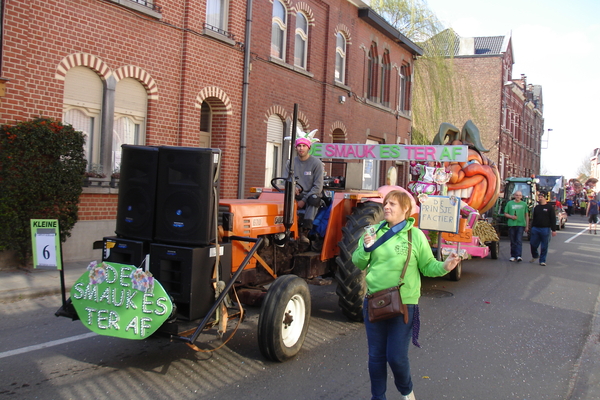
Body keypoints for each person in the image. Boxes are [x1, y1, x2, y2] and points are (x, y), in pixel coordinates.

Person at [352, 190, 460, 400]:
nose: (387, 207)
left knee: (397, 357)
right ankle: (378, 397)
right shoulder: (373, 231)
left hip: (404, 304)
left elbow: (428, 266)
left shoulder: (415, 236)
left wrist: (446, 265)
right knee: (376, 357)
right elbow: (358, 262)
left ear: (406, 209)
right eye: (386, 204)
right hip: (375, 302)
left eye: (392, 204)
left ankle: (407, 392)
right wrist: (365, 247)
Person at [285, 133, 324, 243]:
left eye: (304, 146)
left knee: (314, 199)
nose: (301, 148)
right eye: (299, 146)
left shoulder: (316, 163)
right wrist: (293, 188)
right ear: (295, 147)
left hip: (311, 195)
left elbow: (318, 186)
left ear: (309, 147)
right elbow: (285, 179)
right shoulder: (290, 163)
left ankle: (305, 231)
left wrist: (304, 200)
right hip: (295, 194)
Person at [530, 191, 557, 266]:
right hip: (536, 228)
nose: (540, 198)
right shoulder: (537, 208)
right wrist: (531, 227)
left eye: (541, 197)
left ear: (545, 198)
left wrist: (553, 230)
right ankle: (535, 255)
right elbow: (534, 218)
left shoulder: (549, 208)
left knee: (544, 245)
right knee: (533, 244)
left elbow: (553, 219)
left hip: (545, 229)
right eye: (539, 197)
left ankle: (542, 260)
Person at [504, 191, 529, 262]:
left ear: (521, 196)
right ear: (514, 195)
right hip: (512, 224)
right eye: (517, 195)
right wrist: (511, 217)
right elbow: (505, 213)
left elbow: (526, 215)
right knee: (513, 240)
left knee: (518, 240)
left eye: (519, 195)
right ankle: (513, 256)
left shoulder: (524, 204)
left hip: (521, 224)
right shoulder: (509, 203)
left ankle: (518, 255)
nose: (518, 197)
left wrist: (527, 226)